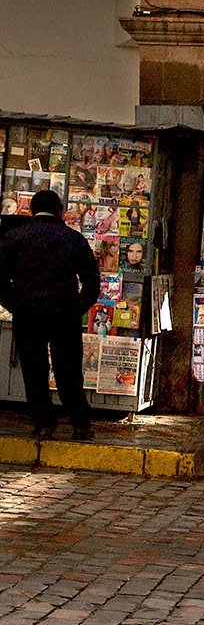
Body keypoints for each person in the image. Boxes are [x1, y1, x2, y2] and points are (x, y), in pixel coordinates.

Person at [0, 188, 100, 440]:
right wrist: (76, 307)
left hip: (28, 314)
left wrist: (16, 304)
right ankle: (80, 423)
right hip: (63, 314)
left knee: (34, 371)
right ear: (60, 211)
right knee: (68, 370)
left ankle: (44, 423)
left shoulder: (15, 237)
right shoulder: (73, 239)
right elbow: (91, 282)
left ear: (32, 210)